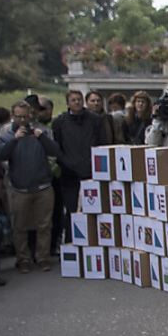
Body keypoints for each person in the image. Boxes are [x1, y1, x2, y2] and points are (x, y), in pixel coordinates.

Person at [0, 101, 61, 273]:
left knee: (44, 225)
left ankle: (42, 257)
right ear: (13, 116)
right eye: (19, 116)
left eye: (26, 116)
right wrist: (15, 139)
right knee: (20, 227)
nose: (23, 120)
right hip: (19, 187)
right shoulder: (6, 132)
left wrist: (41, 137)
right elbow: (0, 155)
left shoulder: (42, 131)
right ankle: (23, 259)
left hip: (43, 185)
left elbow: (55, 151)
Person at [52, 89, 105, 239]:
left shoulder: (95, 120)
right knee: (71, 211)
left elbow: (102, 143)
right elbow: (57, 147)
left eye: (79, 99)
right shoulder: (59, 122)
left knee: (93, 209)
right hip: (69, 173)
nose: (77, 102)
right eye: (73, 100)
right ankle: (71, 241)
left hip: (91, 172)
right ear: (68, 103)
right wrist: (66, 162)